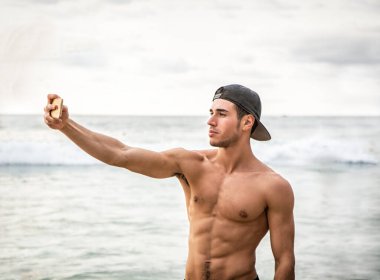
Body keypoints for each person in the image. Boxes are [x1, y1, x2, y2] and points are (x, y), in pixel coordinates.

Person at [44, 84, 295, 280]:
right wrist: (66, 126)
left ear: (247, 122)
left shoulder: (273, 187)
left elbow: (284, 261)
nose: (210, 121)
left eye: (221, 114)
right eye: (210, 113)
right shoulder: (191, 164)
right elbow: (120, 154)